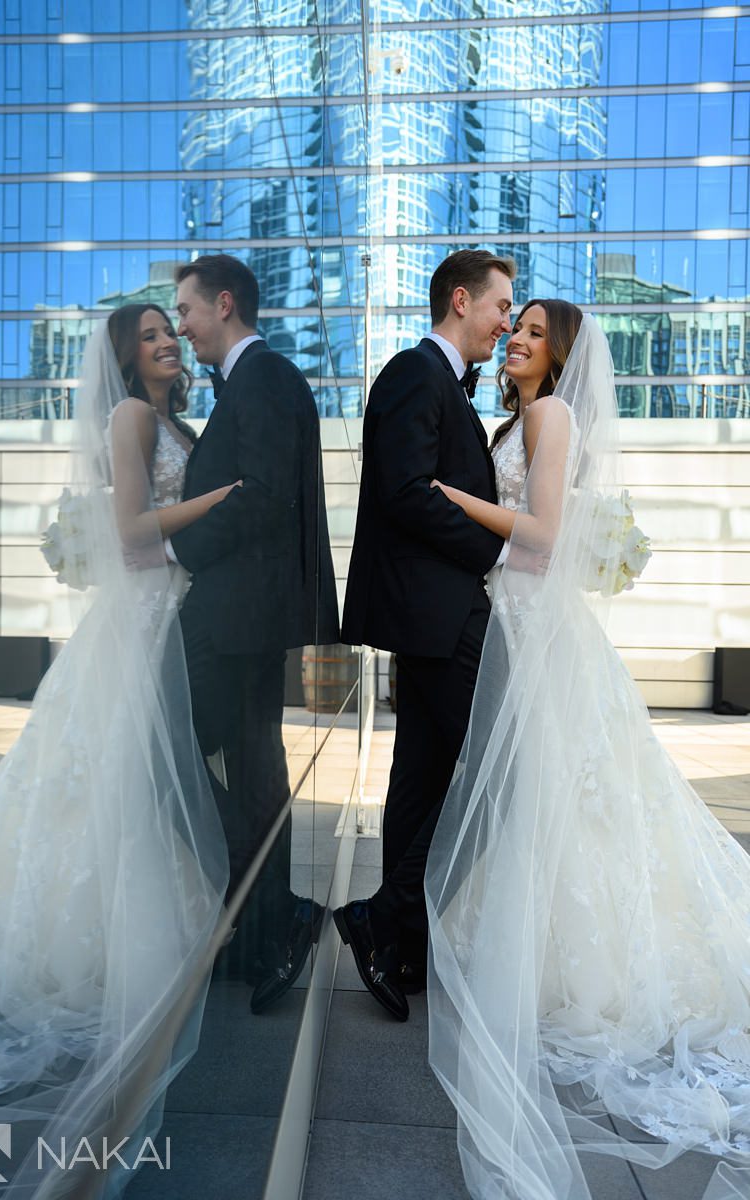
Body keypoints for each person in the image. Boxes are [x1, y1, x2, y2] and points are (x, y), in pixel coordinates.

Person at [425, 301, 750, 1200]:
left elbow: (546, 532)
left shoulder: (548, 414)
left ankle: (574, 960)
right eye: (514, 327)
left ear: (561, 352)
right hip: (522, 620)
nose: (518, 340)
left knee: (564, 788)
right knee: (552, 791)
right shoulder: (522, 418)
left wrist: (457, 499)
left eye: (534, 331)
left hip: (536, 625)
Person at [0, 304, 239, 1195]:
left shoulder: (174, 423)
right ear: (126, 356)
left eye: (171, 332)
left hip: (169, 613)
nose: (167, 343)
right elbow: (129, 529)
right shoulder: (130, 418)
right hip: (143, 613)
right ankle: (92, 948)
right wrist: (225, 500)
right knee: (114, 777)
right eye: (151, 335)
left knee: (132, 784)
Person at [335, 249, 516, 1020]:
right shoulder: (416, 373)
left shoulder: (444, 386)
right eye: (501, 306)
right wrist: (497, 549)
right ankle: (386, 912)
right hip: (438, 611)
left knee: (422, 776)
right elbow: (403, 490)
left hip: (432, 613)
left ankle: (403, 941)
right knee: (497, 774)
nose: (506, 322)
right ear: (460, 299)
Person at [172, 254, 339, 1014]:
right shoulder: (257, 381)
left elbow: (264, 496)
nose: (183, 325)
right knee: (242, 764)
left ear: (226, 303)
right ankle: (264, 915)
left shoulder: (265, 379)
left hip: (240, 616)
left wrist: (181, 547)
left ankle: (267, 924)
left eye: (187, 309)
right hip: (243, 615)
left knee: (226, 762)